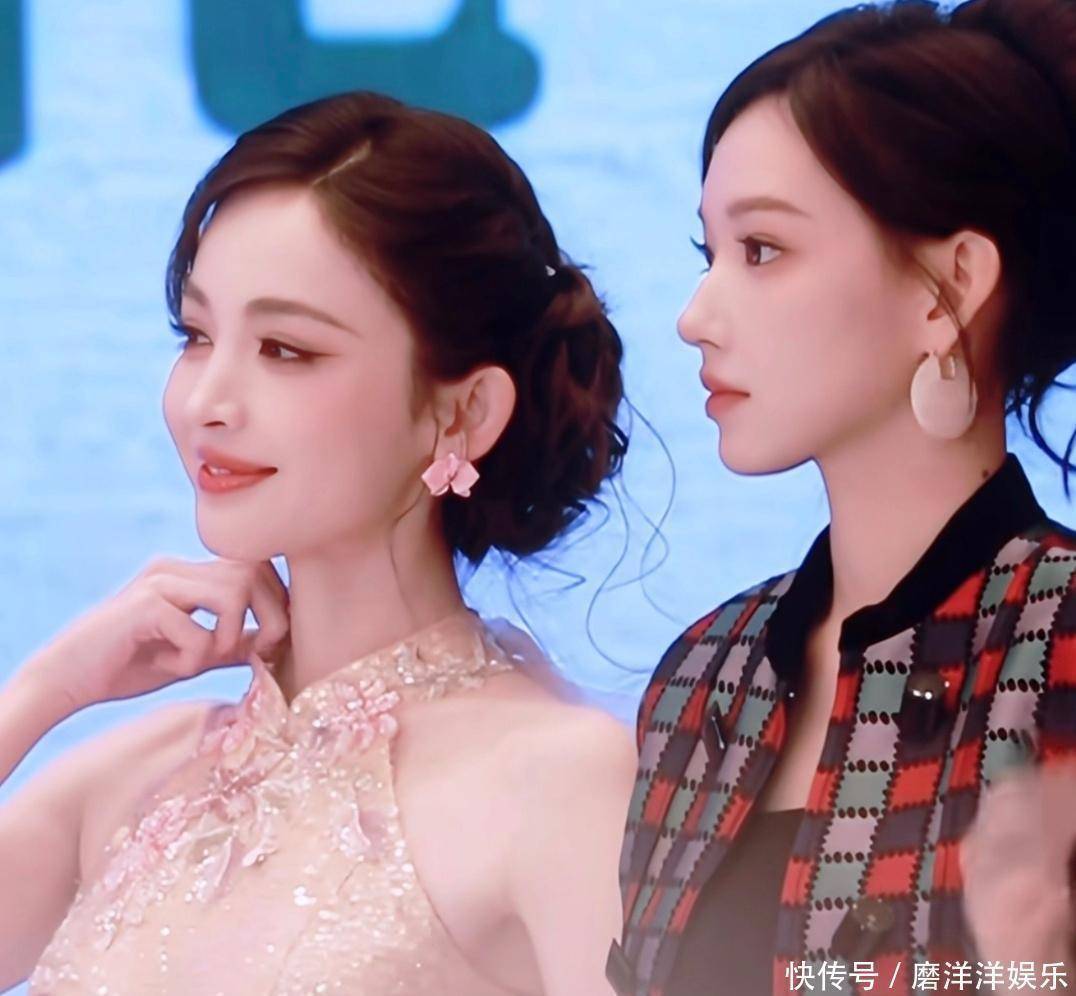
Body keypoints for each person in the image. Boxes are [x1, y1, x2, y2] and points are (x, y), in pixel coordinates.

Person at [0, 90, 638, 995]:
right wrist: (46, 690)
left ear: (462, 412)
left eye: (286, 350)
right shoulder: (138, 776)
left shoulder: (559, 778)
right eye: (196, 335)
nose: (206, 401)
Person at [607, 1, 1076, 994]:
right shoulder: (704, 676)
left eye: (761, 250)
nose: (695, 316)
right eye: (706, 255)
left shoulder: (1060, 640)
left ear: (947, 286)